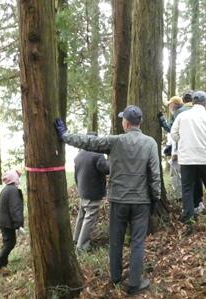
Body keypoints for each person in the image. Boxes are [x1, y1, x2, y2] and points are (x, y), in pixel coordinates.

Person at [55, 105, 160, 295]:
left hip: (119, 200)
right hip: (141, 201)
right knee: (137, 242)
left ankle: (116, 277)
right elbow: (155, 175)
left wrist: (65, 135)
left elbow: (88, 142)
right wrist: (156, 198)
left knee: (116, 240)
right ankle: (135, 283)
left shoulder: (115, 141)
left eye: (122, 119)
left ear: (126, 123)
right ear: (140, 123)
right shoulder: (150, 143)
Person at [170, 90, 206, 224]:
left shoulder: (183, 116)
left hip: (187, 157)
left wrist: (183, 141)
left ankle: (188, 215)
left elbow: (173, 133)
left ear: (193, 102)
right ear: (205, 102)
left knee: (187, 186)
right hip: (204, 156)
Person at [73, 134, 109, 251]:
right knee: (89, 219)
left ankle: (76, 239)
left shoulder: (79, 155)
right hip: (93, 193)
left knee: (81, 217)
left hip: (82, 191)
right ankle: (82, 246)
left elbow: (75, 175)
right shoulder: (97, 155)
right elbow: (106, 169)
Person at [0, 170, 24, 276]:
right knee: (9, 243)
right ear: (13, 178)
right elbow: (15, 208)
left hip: (3, 221)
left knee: (8, 243)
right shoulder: (13, 190)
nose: (18, 179)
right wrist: (18, 224)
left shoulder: (6, 189)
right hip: (6, 222)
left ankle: (2, 265)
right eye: (17, 177)